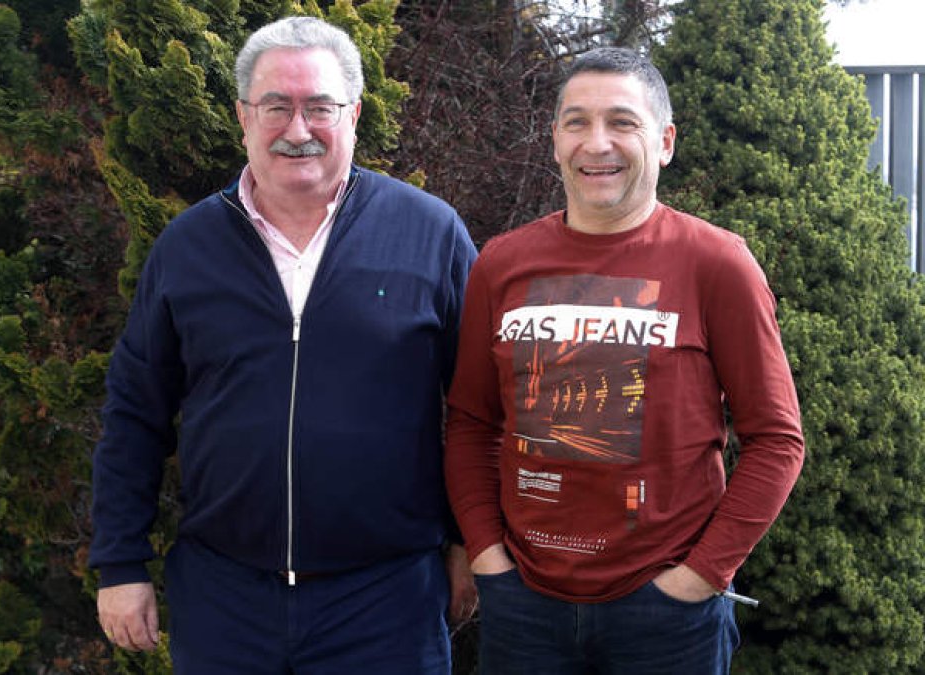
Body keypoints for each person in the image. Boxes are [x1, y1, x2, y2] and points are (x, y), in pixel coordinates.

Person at [89, 15, 479, 674]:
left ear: (353, 114)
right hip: (225, 597)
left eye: (319, 108)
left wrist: (472, 540)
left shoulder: (429, 235)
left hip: (386, 601)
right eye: (276, 107)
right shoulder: (187, 248)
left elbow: (480, 407)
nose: (298, 131)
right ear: (243, 117)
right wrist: (120, 562)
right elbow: (135, 410)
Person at [444, 47, 805, 674]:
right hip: (525, 604)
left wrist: (698, 577)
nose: (597, 142)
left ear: (664, 141)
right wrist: (486, 556)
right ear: (555, 140)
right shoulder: (501, 264)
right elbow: (471, 422)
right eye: (577, 122)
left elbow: (777, 439)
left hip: (666, 615)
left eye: (622, 122)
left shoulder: (716, 264)